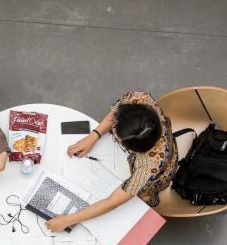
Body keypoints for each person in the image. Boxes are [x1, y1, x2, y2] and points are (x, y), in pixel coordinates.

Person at [45, 91, 177, 232]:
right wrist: (93, 136)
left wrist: (68, 220)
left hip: (158, 174)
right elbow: (116, 114)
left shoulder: (148, 169)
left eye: (119, 139)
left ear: (134, 151)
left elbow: (111, 202)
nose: (114, 135)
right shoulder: (139, 98)